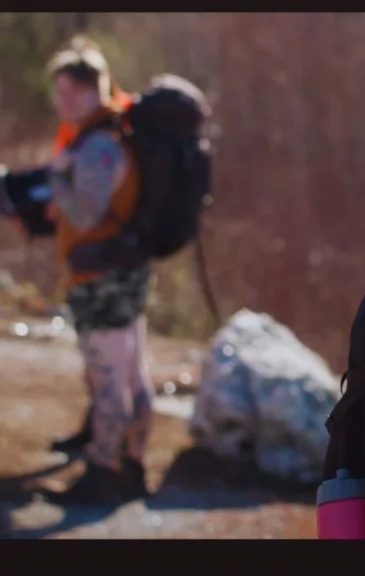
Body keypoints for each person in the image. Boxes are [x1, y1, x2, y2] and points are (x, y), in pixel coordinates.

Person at [35, 37, 153, 505]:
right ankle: (134, 465)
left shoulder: (98, 145)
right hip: (123, 270)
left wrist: (58, 174)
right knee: (131, 372)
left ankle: (103, 472)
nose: (66, 101)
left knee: (110, 379)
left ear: (98, 88)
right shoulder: (112, 134)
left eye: (75, 91)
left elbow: (84, 214)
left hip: (102, 278)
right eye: (60, 92)